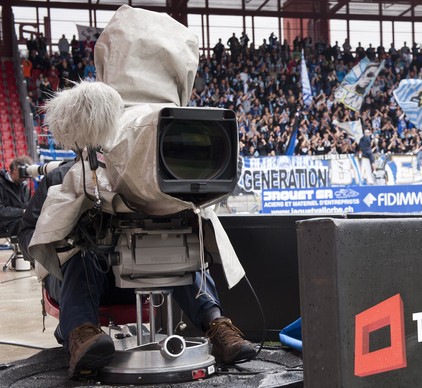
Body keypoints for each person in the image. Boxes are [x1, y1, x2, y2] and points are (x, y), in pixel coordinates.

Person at [18, 6, 255, 380]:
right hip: (92, 281)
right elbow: (31, 231)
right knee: (83, 251)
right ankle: (83, 336)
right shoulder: (66, 178)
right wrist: (63, 243)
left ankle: (216, 325)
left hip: (157, 270)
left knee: (184, 238)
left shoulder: (162, 181)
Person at [0, 156, 32, 238]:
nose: (25, 176)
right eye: (22, 171)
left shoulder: (24, 186)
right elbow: (1, 211)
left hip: (17, 220)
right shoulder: (1, 184)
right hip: (4, 223)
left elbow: (27, 205)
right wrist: (22, 212)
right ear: (14, 170)